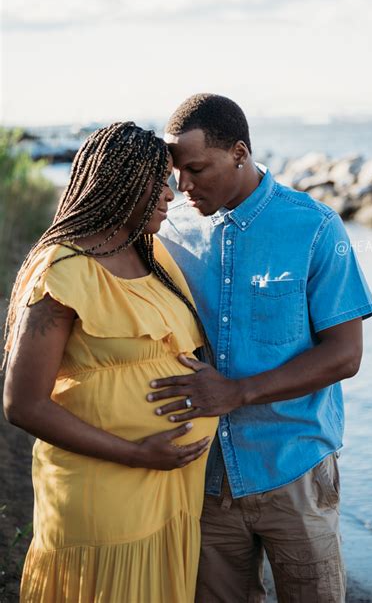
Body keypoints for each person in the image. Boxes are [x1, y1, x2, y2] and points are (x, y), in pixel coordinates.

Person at [151, 94, 372, 603]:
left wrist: (237, 392)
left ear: (237, 152)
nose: (183, 185)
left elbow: (346, 355)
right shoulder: (169, 230)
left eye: (195, 168)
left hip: (293, 468)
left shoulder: (316, 228)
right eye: (175, 172)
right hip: (203, 475)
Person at [3, 121, 218, 603]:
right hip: (105, 491)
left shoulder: (152, 256)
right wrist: (138, 455)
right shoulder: (62, 269)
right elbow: (22, 404)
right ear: (119, 183)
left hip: (171, 493)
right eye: (158, 181)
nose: (170, 195)